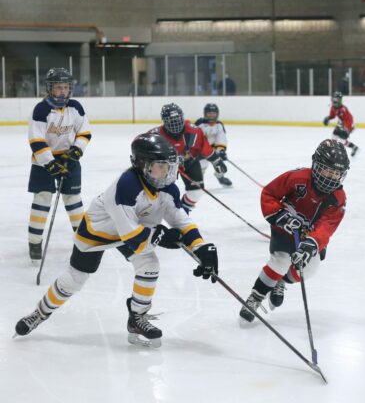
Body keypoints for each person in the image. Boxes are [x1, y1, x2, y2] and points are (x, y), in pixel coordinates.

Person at [14, 134, 219, 347]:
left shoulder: (168, 188)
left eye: (169, 166)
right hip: (97, 233)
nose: (167, 172)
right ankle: (39, 313)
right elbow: (134, 239)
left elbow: (181, 221)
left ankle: (137, 318)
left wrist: (202, 248)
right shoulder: (126, 187)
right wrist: (161, 236)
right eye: (161, 166)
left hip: (132, 229)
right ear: (143, 165)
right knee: (75, 280)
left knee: (149, 264)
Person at [239, 139, 350, 324]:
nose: (331, 177)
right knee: (280, 261)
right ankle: (256, 298)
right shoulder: (298, 178)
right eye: (327, 170)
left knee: (309, 269)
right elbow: (269, 193)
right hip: (284, 229)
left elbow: (327, 226)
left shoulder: (338, 198)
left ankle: (281, 281)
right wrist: (280, 216)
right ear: (316, 165)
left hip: (310, 236)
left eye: (336, 173)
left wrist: (311, 244)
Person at [27, 68, 91, 262]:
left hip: (69, 160)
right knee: (43, 199)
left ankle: (83, 241)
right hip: (43, 162)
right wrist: (50, 163)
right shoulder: (41, 110)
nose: (62, 91)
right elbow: (36, 140)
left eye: (65, 87)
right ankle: (34, 241)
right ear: (50, 89)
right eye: (58, 88)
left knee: (73, 199)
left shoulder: (76, 107)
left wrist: (76, 151)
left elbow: (84, 132)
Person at [148, 103, 227, 212]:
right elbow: (139, 147)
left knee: (197, 192)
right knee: (156, 195)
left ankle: (182, 213)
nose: (175, 123)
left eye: (177, 119)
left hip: (189, 163)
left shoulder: (194, 131)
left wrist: (216, 160)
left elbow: (205, 148)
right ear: (164, 121)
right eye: (171, 120)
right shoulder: (155, 135)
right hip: (165, 168)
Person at [195, 103, 233, 187]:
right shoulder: (199, 124)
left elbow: (221, 137)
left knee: (219, 163)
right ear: (205, 114)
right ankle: (198, 180)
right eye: (209, 113)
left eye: (213, 113)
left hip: (213, 150)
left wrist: (221, 150)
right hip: (201, 150)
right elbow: (196, 138)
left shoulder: (219, 125)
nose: (211, 115)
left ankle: (220, 177)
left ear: (217, 114)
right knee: (202, 165)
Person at [323, 92, 359, 157]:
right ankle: (334, 152)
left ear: (340, 100)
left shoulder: (343, 109)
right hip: (341, 124)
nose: (335, 101)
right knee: (334, 137)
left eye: (337, 99)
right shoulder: (333, 107)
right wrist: (328, 118)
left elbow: (349, 119)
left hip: (348, 125)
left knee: (341, 141)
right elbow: (332, 115)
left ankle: (353, 147)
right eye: (334, 99)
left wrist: (345, 128)